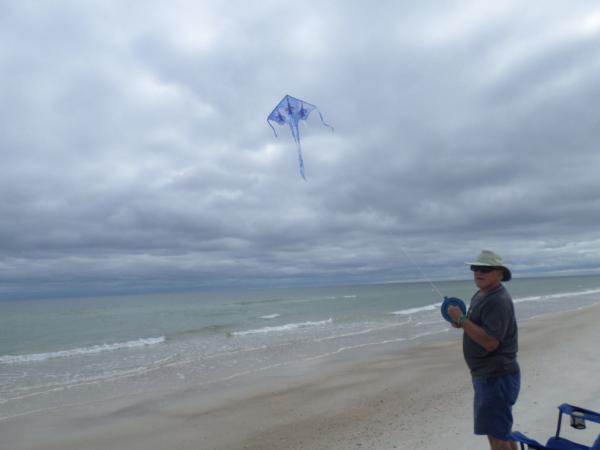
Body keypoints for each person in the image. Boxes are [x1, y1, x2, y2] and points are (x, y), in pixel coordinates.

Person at [448, 250, 520, 450]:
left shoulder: (497, 300)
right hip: (489, 375)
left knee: (497, 435)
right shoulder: (483, 293)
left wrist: (462, 319)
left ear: (499, 273)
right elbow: (480, 326)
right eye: (475, 269)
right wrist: (463, 322)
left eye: (485, 269)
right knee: (501, 430)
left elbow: (490, 342)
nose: (478, 273)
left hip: (496, 376)